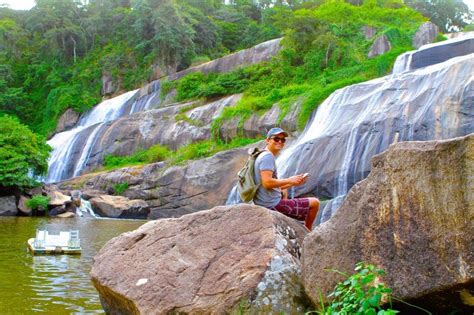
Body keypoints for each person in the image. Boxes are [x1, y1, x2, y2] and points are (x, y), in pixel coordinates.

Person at [253, 127, 320, 230]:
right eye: (276, 139)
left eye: (282, 140)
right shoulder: (267, 157)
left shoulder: (261, 155)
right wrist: (290, 180)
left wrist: (294, 183)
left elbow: (270, 185)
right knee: (315, 203)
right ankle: (308, 232)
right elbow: (267, 183)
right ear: (268, 140)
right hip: (272, 205)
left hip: (265, 201)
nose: (280, 142)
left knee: (284, 189)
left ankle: (285, 221)